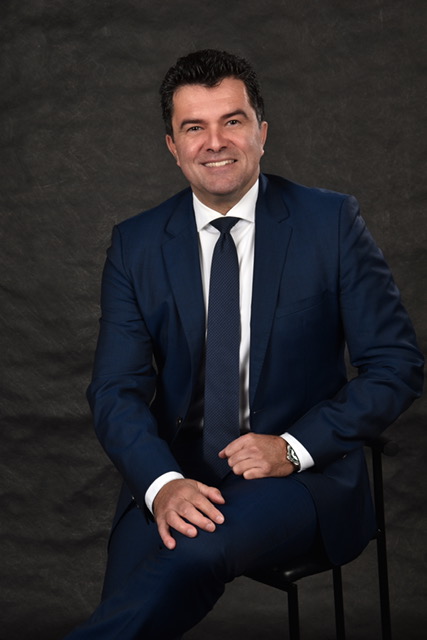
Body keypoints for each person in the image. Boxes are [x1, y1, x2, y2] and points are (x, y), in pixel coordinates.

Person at [64, 49, 423, 639]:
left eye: (232, 121)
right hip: (179, 467)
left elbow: (396, 365)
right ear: (172, 146)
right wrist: (162, 485)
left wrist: (293, 448)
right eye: (194, 127)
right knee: (131, 589)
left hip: (298, 475)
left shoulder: (330, 222)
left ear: (262, 131)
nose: (215, 142)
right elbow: (114, 390)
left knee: (194, 552)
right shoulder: (137, 244)